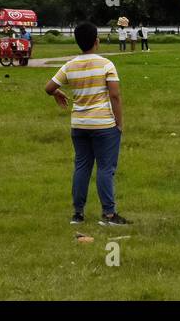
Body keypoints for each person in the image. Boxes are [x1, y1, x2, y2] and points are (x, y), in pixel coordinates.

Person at [44, 22, 128, 226]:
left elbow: (48, 87)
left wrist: (57, 92)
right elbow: (115, 95)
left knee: (81, 167)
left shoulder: (70, 65)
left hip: (79, 125)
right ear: (96, 41)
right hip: (103, 125)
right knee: (105, 168)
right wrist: (119, 123)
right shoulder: (106, 64)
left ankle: (78, 214)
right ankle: (109, 215)